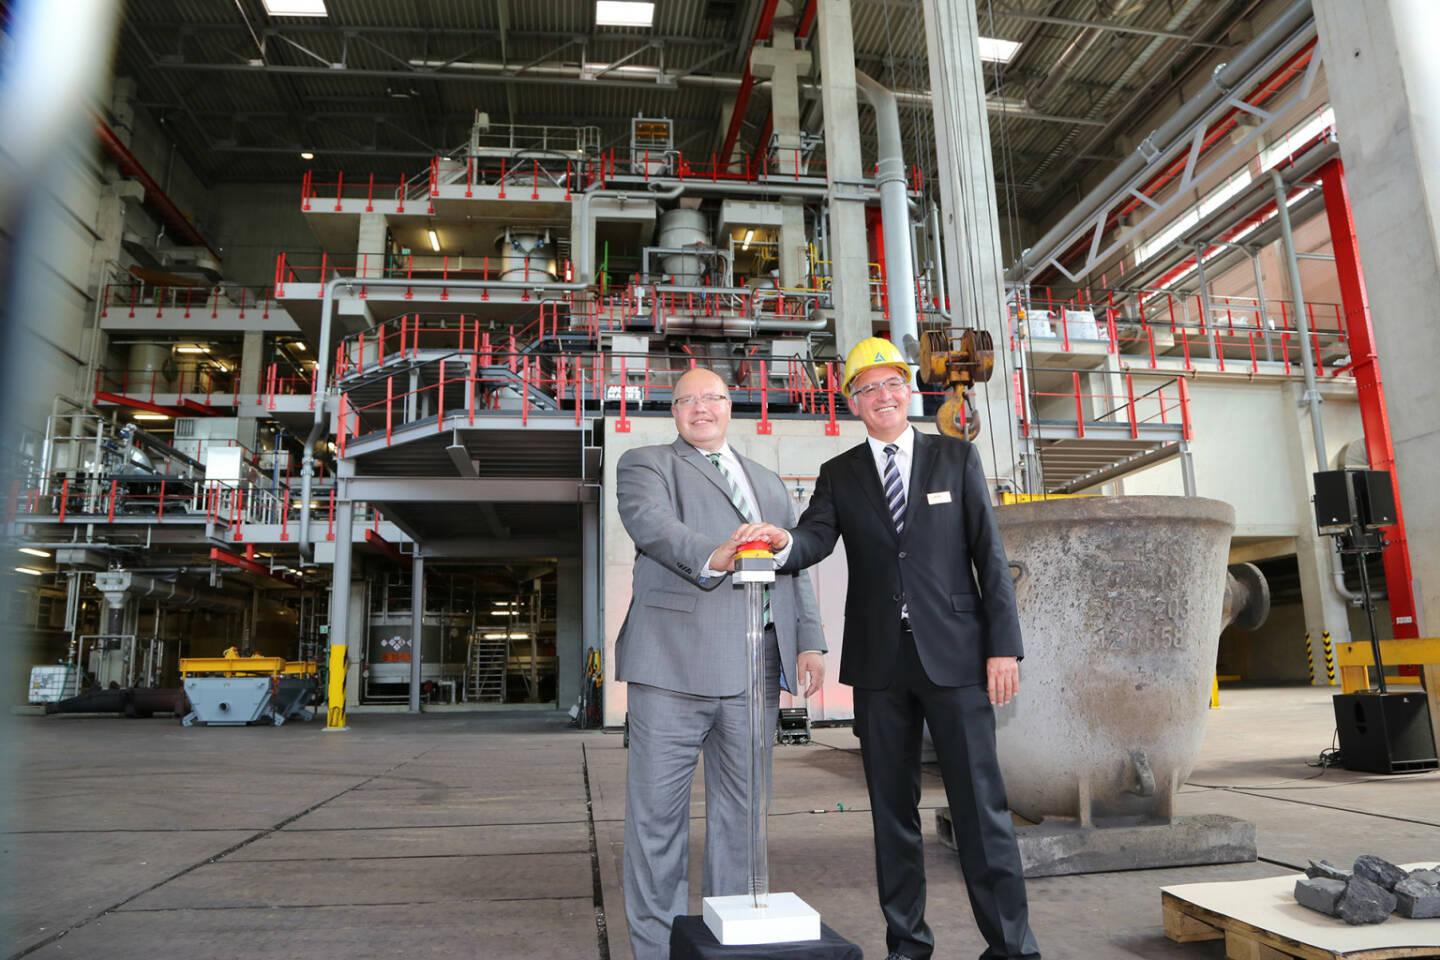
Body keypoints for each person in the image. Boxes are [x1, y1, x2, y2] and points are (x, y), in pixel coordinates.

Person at [729, 338, 1040, 960]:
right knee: (892, 814)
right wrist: (780, 542)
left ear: (909, 389)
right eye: (867, 388)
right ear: (852, 402)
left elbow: (990, 558)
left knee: (982, 809)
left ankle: (1012, 947)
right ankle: (907, 944)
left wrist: (1002, 647)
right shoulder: (839, 474)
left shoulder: (955, 458)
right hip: (879, 667)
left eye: (891, 384)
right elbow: (815, 538)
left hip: (956, 658)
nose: (882, 396)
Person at [615, 366, 827, 960]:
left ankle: (725, 946)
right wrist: (716, 554)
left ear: (731, 406)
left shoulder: (767, 480)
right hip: (671, 670)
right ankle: (658, 952)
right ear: (673, 411)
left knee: (743, 822)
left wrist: (808, 640)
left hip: (754, 670)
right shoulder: (645, 464)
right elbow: (654, 529)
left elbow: (795, 567)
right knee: (658, 825)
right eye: (687, 400)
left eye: (712, 398)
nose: (700, 408)